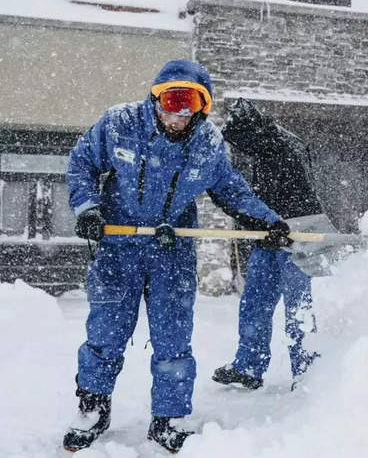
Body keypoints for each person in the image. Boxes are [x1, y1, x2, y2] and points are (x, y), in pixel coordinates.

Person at [63, 61, 293, 453]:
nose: (178, 113)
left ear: (202, 107)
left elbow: (232, 190)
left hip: (171, 252)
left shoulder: (208, 144)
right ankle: (92, 409)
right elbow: (81, 163)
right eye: (171, 100)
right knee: (105, 333)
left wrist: (266, 221)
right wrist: (87, 208)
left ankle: (168, 419)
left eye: (190, 103)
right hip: (119, 248)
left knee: (173, 338)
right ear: (156, 99)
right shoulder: (119, 123)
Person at [209, 99, 327, 391]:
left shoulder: (285, 147)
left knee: (297, 309)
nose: (240, 150)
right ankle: (248, 366)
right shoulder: (264, 148)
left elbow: (300, 195)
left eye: (241, 142)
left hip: (297, 237)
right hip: (268, 238)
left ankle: (307, 372)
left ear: (253, 132)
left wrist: (283, 226)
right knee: (255, 303)